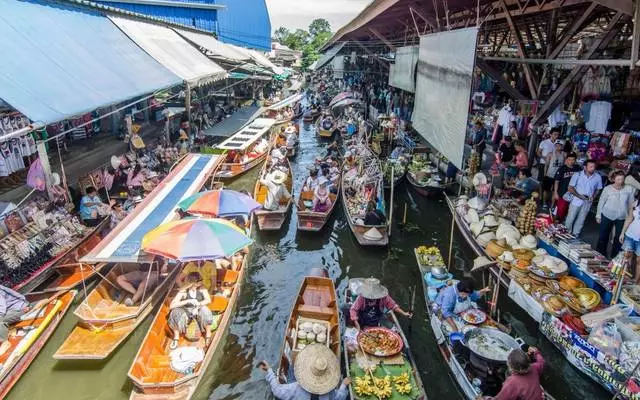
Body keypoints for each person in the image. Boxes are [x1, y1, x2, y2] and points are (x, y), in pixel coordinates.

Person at [259, 343, 350, 400]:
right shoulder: (330, 393)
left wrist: (270, 371)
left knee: (291, 368)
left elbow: (277, 390)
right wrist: (343, 385)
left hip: (295, 392)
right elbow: (340, 397)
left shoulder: (296, 388)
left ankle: (290, 366)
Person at [167, 272, 213, 349]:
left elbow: (208, 300)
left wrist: (198, 304)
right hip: (186, 313)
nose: (201, 282)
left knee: (205, 310)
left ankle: (208, 334)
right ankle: (176, 337)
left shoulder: (202, 288)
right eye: (199, 281)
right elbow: (172, 305)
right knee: (175, 311)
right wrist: (187, 301)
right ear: (193, 283)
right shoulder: (184, 291)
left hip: (198, 312)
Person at [596, 170, 635, 257]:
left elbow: (630, 204)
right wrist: (598, 215)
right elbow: (601, 202)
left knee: (619, 238)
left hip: (621, 217)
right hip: (607, 215)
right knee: (603, 236)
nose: (620, 181)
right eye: (618, 179)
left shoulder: (629, 189)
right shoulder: (607, 189)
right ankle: (600, 255)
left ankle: (614, 257)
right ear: (613, 179)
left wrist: (630, 216)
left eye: (622, 179)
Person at [565, 159, 603, 236]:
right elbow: (570, 188)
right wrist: (579, 196)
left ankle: (575, 234)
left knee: (581, 220)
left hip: (587, 202)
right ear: (585, 167)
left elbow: (598, 189)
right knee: (570, 218)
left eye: (594, 166)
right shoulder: (577, 175)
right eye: (590, 166)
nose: (593, 168)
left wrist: (593, 196)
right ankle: (566, 234)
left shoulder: (598, 177)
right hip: (576, 200)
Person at [553, 152, 581, 221]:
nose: (571, 161)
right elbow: (556, 181)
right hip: (562, 192)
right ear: (566, 160)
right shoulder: (562, 169)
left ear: (575, 160)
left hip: (574, 193)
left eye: (573, 159)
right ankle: (556, 222)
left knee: (569, 209)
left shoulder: (578, 168)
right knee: (560, 209)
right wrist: (555, 192)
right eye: (569, 159)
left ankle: (563, 222)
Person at [543, 140, 565, 206]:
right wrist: (545, 174)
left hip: (558, 177)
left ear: (562, 146)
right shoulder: (550, 154)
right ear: (554, 146)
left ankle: (552, 205)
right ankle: (544, 203)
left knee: (554, 191)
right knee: (546, 190)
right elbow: (546, 165)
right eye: (556, 145)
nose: (558, 147)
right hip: (549, 175)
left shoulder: (564, 155)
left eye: (560, 145)